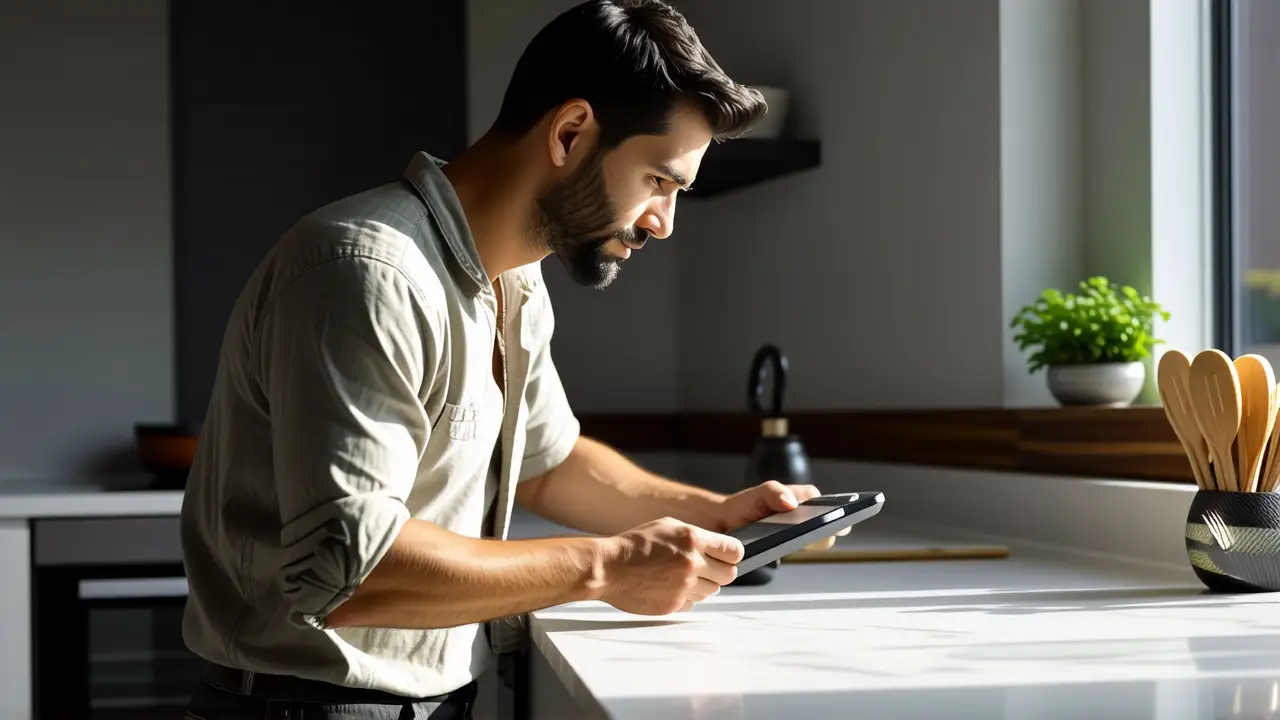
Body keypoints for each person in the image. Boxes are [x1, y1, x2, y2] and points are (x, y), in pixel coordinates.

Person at [180, 1, 835, 717]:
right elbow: (348, 570)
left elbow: (548, 464)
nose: (664, 223)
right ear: (571, 132)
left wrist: (715, 515)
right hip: (309, 707)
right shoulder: (366, 272)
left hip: (427, 698)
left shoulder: (516, 280)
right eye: (658, 181)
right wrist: (608, 566)